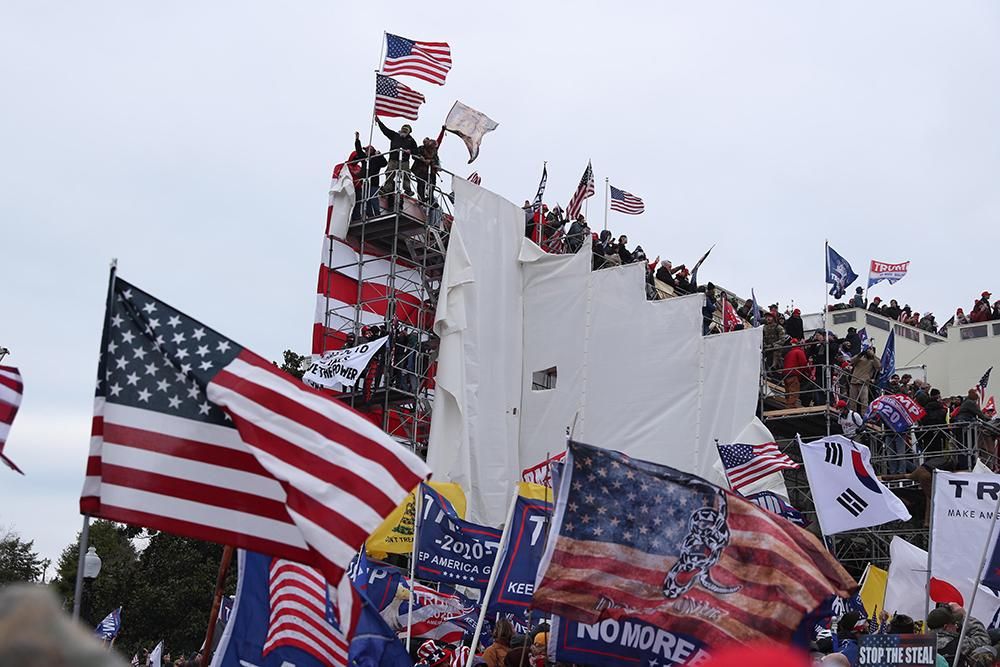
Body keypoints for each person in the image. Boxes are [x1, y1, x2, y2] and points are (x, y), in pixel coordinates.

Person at [927, 604, 994, 667]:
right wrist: (965, 616)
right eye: (953, 623)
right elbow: (984, 639)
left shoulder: (922, 642)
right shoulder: (959, 643)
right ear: (945, 627)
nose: (956, 626)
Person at [375, 118, 419, 197]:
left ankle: (408, 190)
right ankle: (386, 189)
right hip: (393, 159)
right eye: (403, 129)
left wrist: (410, 151)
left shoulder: (411, 140)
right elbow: (385, 130)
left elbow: (416, 150)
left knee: (406, 175)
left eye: (406, 130)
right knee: (389, 174)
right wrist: (379, 122)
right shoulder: (395, 135)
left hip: (404, 161)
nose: (404, 131)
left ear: (409, 132)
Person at [353, 131, 387, 219]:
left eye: (368, 150)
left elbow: (384, 163)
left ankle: (377, 214)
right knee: (365, 200)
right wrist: (357, 140)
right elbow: (359, 150)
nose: (366, 151)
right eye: (366, 150)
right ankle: (370, 215)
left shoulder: (376, 159)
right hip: (365, 182)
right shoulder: (365, 159)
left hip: (373, 183)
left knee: (373, 199)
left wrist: (380, 155)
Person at [848, 348, 881, 413]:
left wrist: (873, 356)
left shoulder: (874, 360)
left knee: (864, 402)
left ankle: (864, 415)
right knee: (852, 401)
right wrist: (861, 354)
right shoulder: (860, 358)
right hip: (854, 381)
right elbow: (851, 361)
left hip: (864, 383)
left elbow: (878, 367)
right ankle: (852, 414)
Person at [783, 338, 809, 409]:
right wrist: (807, 373)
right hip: (793, 374)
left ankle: (788, 404)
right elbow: (804, 363)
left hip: (786, 374)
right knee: (794, 391)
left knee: (788, 391)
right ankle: (790, 407)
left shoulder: (789, 353)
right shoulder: (799, 351)